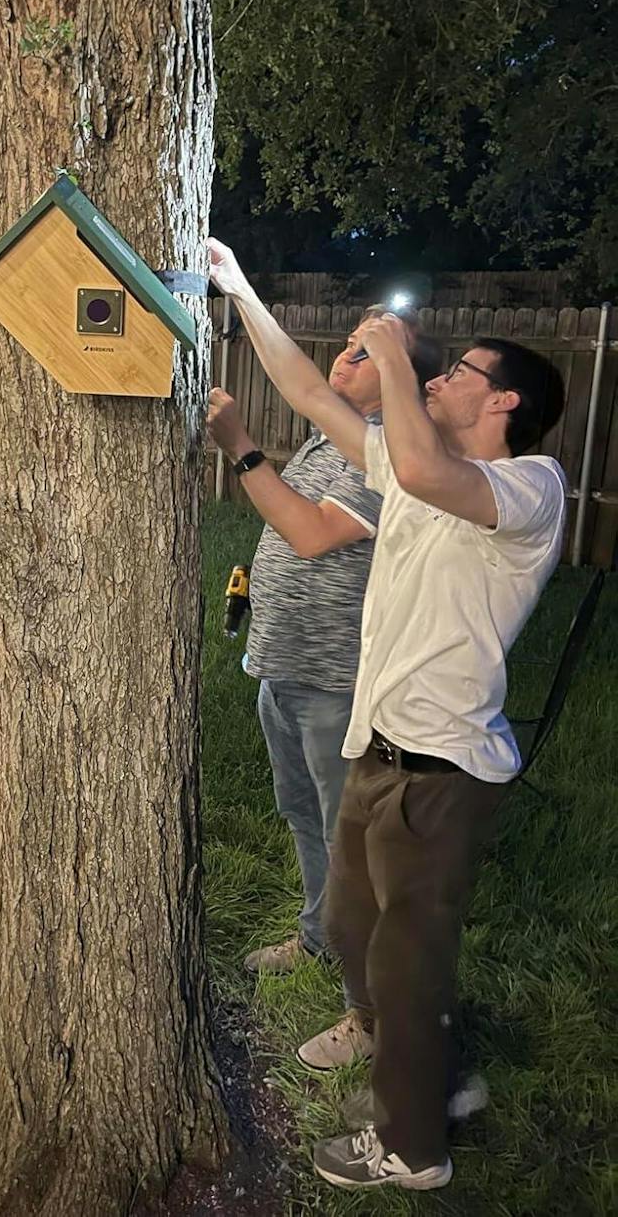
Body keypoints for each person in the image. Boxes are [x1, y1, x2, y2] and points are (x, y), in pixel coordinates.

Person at [207, 236, 567, 1193]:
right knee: (356, 924)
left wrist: (399, 361)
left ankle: (414, 1145)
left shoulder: (528, 487)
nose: (441, 379)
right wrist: (241, 284)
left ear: (505, 402)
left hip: (443, 769)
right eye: (437, 370)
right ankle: (423, 1065)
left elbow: (423, 468)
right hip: (379, 749)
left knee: (409, 956)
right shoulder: (409, 472)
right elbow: (312, 395)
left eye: (460, 373)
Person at [206, 315, 435, 1075]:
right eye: (348, 341)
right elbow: (287, 506)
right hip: (283, 668)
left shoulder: (392, 455)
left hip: (337, 683)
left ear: (401, 373)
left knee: (353, 851)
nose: (347, 352)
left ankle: (364, 1009)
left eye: (368, 353)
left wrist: (241, 446)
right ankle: (314, 937)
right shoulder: (329, 439)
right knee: (303, 816)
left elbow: (307, 533)